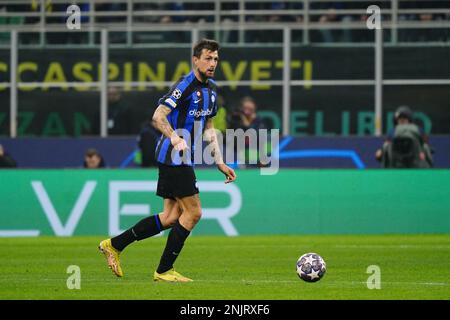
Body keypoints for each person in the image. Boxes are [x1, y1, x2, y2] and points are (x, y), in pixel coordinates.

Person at [99, 39, 236, 282]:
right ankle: (164, 270)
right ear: (195, 60)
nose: (212, 63)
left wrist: (220, 161)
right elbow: (158, 116)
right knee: (193, 213)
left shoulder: (212, 89)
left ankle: (114, 245)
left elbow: (209, 126)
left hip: (184, 158)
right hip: (174, 157)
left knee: (171, 217)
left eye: (215, 58)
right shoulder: (184, 85)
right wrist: (174, 137)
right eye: (207, 58)